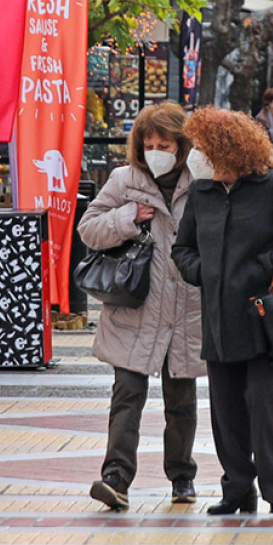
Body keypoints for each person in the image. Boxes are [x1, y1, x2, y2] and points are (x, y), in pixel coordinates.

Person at [172, 107, 273, 516]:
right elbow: (182, 249)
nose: (195, 155)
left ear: (227, 149)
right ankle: (237, 488)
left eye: (202, 147)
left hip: (264, 318)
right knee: (226, 410)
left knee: (266, 401)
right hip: (219, 318)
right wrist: (203, 271)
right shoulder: (200, 194)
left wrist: (263, 268)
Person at [79, 102, 204, 511]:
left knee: (181, 400)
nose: (156, 150)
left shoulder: (200, 181)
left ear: (181, 146)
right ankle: (115, 477)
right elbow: (89, 230)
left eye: (164, 143)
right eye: (149, 143)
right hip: (136, 310)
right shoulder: (124, 180)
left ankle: (182, 476)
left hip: (185, 310)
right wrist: (127, 216)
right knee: (127, 396)